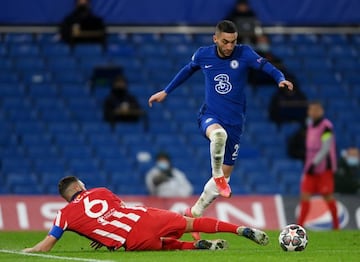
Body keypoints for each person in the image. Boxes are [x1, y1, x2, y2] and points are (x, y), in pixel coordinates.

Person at [148, 20, 293, 238]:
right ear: (215, 38)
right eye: (225, 42)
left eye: (233, 42)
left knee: (225, 173)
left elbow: (266, 66)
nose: (229, 46)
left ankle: (194, 213)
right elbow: (187, 71)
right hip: (210, 115)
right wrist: (166, 91)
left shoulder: (244, 53)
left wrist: (280, 78)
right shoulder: (203, 55)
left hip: (235, 122)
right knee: (218, 135)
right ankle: (217, 176)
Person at [22, 176, 269, 253]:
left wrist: (27, 251)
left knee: (162, 245)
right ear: (78, 187)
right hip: (143, 216)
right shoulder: (101, 191)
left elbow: (45, 246)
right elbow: (116, 211)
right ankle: (239, 229)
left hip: (130, 241)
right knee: (191, 222)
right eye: (82, 184)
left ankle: (196, 248)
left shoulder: (63, 215)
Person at [297, 101, 339, 229]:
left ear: (321, 111)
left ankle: (336, 226)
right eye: (311, 110)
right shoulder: (309, 125)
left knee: (327, 196)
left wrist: (314, 163)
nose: (313, 113)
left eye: (316, 110)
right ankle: (299, 226)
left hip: (323, 167)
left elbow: (325, 148)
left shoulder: (326, 126)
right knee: (305, 195)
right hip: (310, 167)